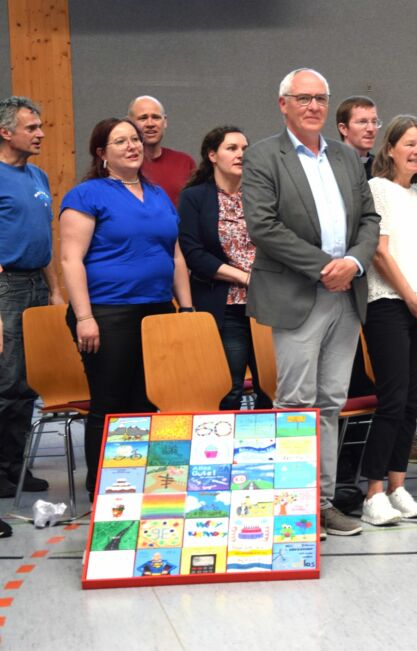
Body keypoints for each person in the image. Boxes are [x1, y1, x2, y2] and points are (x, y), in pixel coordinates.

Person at [242, 68, 380, 538]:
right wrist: (326, 266)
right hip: (298, 293)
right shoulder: (263, 156)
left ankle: (321, 504)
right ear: (283, 104)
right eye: (303, 98)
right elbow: (263, 226)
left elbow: (370, 219)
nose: (314, 106)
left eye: (321, 97)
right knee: (296, 403)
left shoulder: (345, 156)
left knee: (330, 403)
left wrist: (354, 263)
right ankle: (292, 509)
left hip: (347, 294)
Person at [60, 117, 194, 498]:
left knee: (148, 401)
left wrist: (186, 310)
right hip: (106, 312)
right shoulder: (87, 195)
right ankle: (102, 490)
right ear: (101, 153)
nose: (132, 146)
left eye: (134, 139)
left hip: (157, 311)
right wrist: (84, 317)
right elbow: (71, 259)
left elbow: (175, 256)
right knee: (111, 401)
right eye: (121, 141)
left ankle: (141, 488)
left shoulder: (157, 194)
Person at [359, 115, 417, 525]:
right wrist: (411, 298)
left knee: (413, 400)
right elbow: (379, 252)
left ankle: (397, 486)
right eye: (409, 143)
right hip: (389, 304)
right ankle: (373, 493)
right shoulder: (378, 189)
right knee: (391, 400)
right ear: (390, 149)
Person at [177, 126, 272, 411]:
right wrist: (244, 277)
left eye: (245, 149)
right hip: (224, 304)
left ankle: (263, 439)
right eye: (232, 148)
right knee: (229, 388)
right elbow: (193, 253)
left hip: (266, 303)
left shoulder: (263, 195)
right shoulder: (195, 197)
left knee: (272, 386)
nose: (241, 154)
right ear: (212, 155)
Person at [0, 96, 63, 500]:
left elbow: (44, 239)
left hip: (37, 284)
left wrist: (55, 289)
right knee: (7, 381)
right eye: (32, 128)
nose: (40, 134)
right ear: (6, 132)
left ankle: (14, 466)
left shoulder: (38, 175)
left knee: (27, 383)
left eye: (40, 127)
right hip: (7, 286)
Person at [128, 96, 196, 206]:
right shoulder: (123, 166)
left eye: (156, 117)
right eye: (143, 118)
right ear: (130, 124)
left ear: (165, 122)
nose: (150, 124)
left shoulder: (185, 162)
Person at [336, 95, 380, 178]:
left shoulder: (382, 169)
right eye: (362, 122)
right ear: (343, 129)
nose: (371, 129)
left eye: (374, 122)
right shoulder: (330, 166)